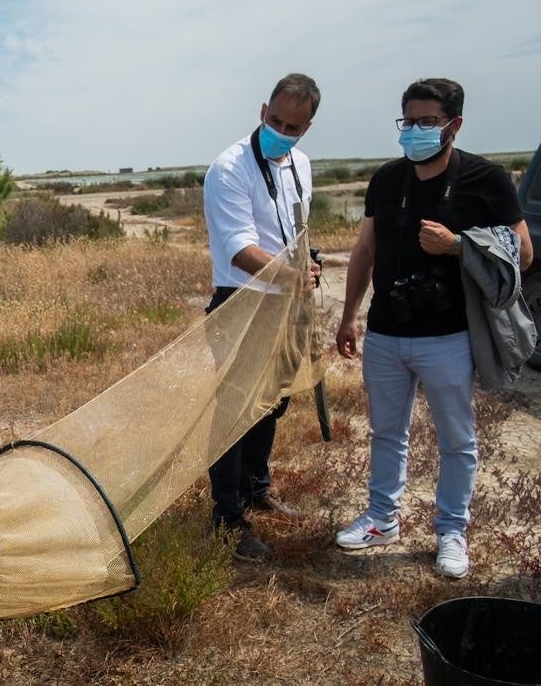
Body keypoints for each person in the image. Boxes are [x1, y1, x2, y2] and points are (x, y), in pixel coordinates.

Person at [334, 78, 532, 579]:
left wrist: (459, 245)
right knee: (386, 432)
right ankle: (382, 519)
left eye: (428, 122)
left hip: (449, 336)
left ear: (454, 124)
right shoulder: (386, 180)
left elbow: (523, 252)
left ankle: (451, 531)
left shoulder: (486, 179)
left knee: (457, 439)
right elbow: (364, 250)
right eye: (409, 122)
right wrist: (349, 314)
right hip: (386, 332)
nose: (416, 131)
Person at [203, 73, 322, 562]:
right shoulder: (229, 168)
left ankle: (257, 488)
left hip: (287, 305)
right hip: (242, 301)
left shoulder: (301, 164)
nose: (282, 131)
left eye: (293, 126)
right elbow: (238, 250)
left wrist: (307, 262)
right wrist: (292, 276)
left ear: (307, 127)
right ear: (262, 111)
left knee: (271, 403)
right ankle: (226, 518)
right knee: (233, 413)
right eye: (275, 120)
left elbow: (294, 231)